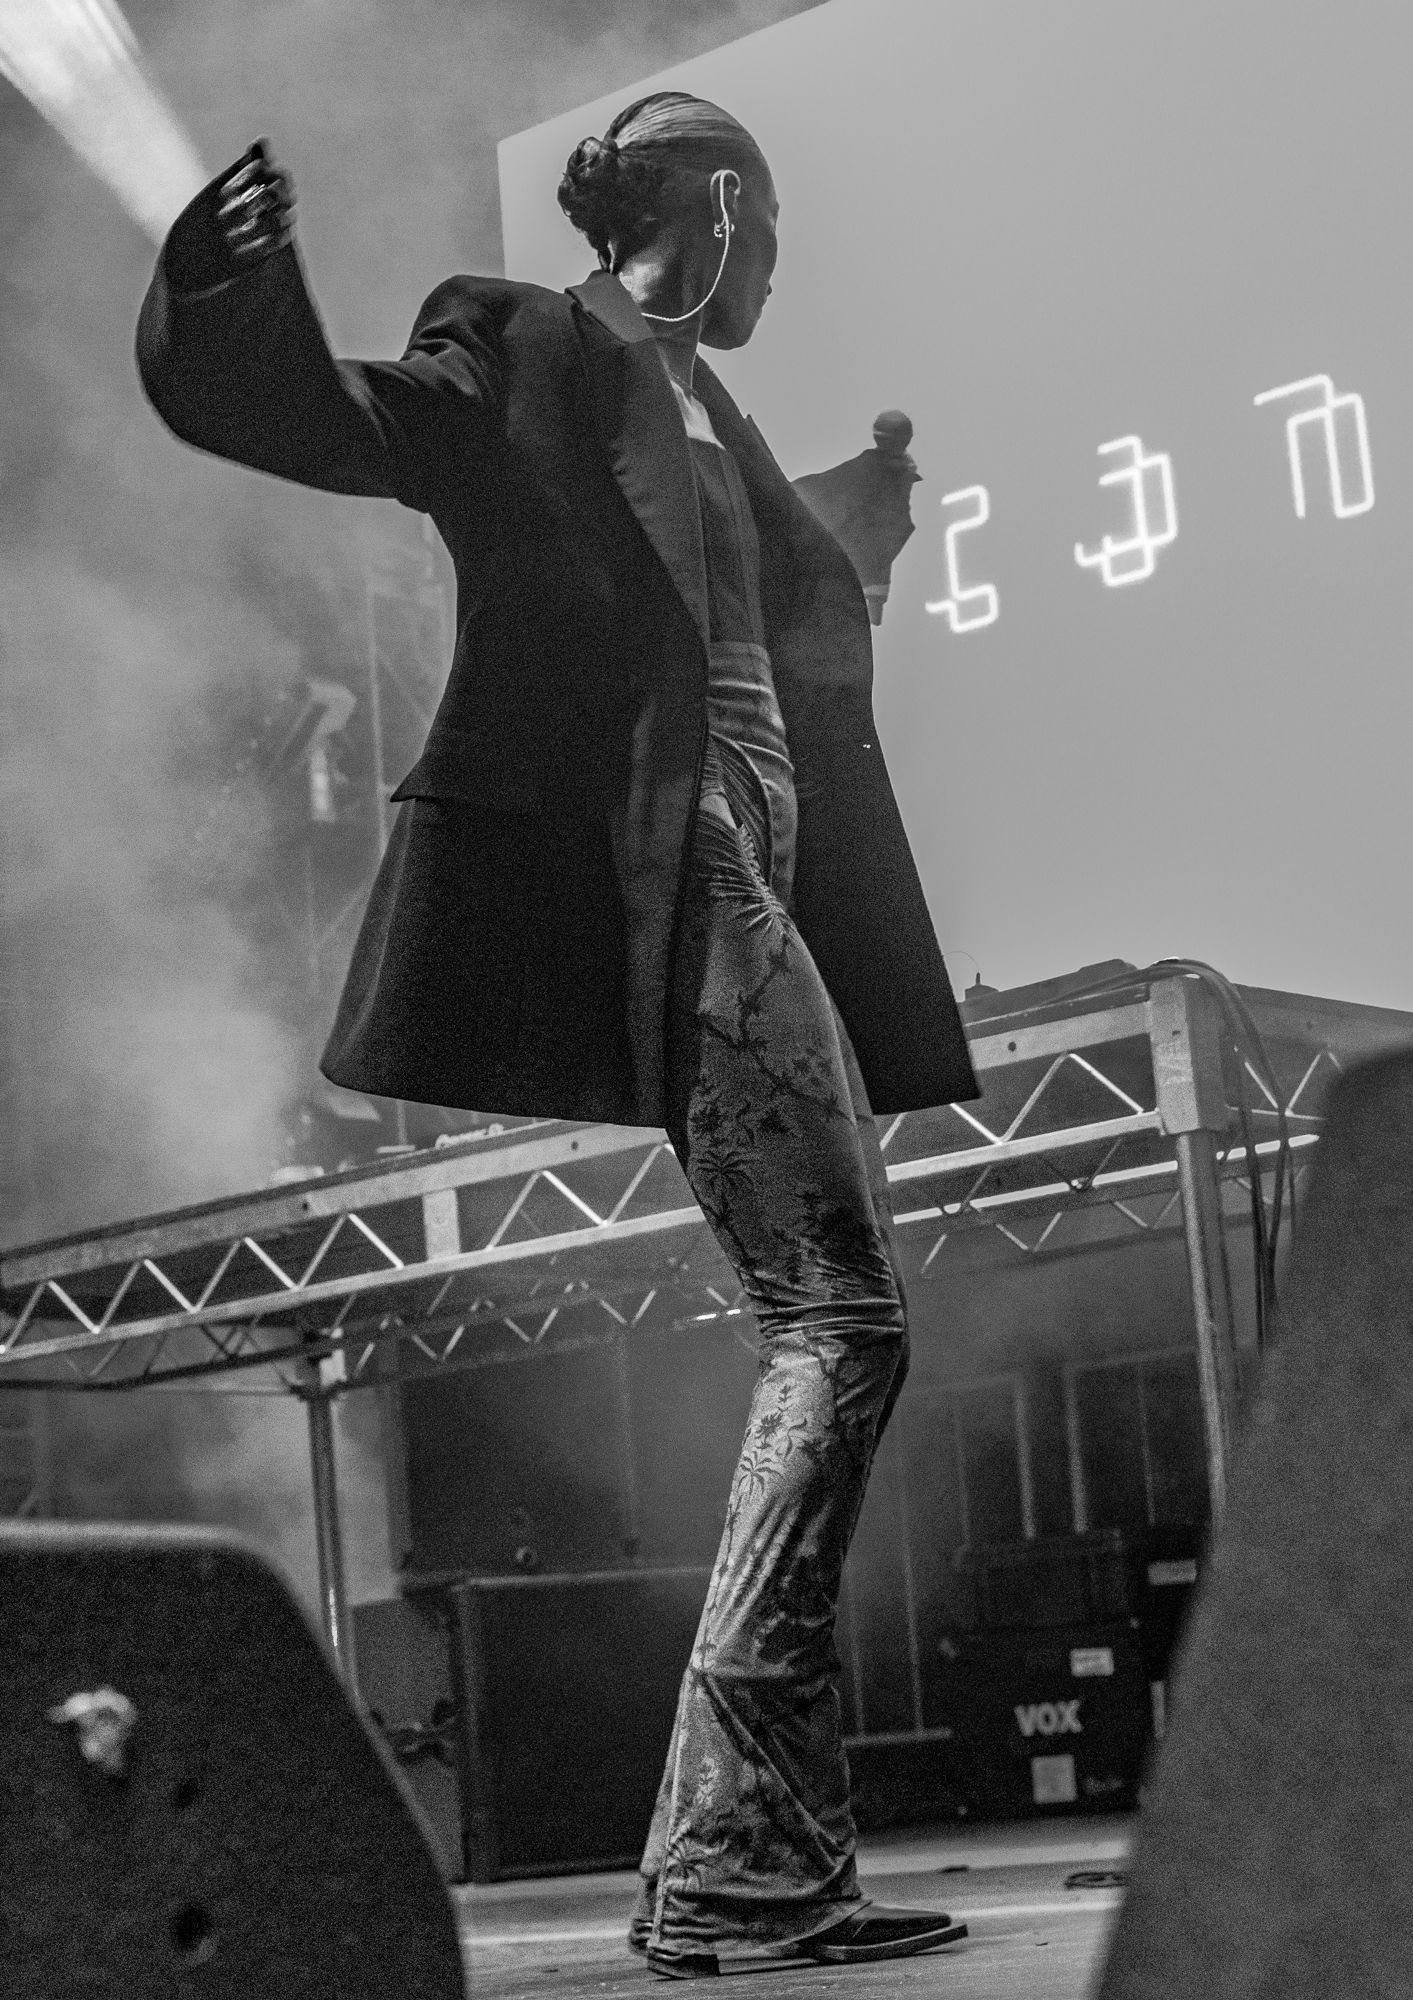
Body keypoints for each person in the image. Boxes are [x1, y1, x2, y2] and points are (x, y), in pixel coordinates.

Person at [136, 90, 979, 1979]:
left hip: (753, 840)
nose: (777, 270)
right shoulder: (525, 337)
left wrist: (839, 526)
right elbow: (331, 419)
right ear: (724, 200)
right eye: (774, 233)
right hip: (677, 861)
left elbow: (709, 582)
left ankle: (742, 1862)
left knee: (835, 1324)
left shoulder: (707, 416)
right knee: (841, 1322)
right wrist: (226, 290)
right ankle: (740, 1864)